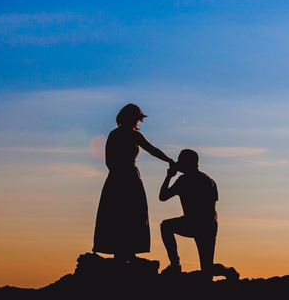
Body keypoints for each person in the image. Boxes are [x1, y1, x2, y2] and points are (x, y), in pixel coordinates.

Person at [92, 104, 175, 262]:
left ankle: (128, 250)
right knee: (121, 214)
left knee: (131, 213)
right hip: (124, 177)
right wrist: (122, 174)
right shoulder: (119, 135)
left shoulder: (130, 135)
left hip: (123, 177)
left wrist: (169, 160)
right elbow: (110, 161)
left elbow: (152, 150)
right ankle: (121, 251)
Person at [158, 149, 237, 279]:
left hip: (207, 227)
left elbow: (211, 210)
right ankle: (175, 264)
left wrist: (205, 230)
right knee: (166, 226)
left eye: (180, 160)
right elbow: (163, 197)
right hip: (189, 222)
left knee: (207, 269)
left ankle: (229, 272)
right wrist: (169, 176)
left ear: (189, 163)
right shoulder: (182, 180)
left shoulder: (206, 181)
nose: (178, 163)